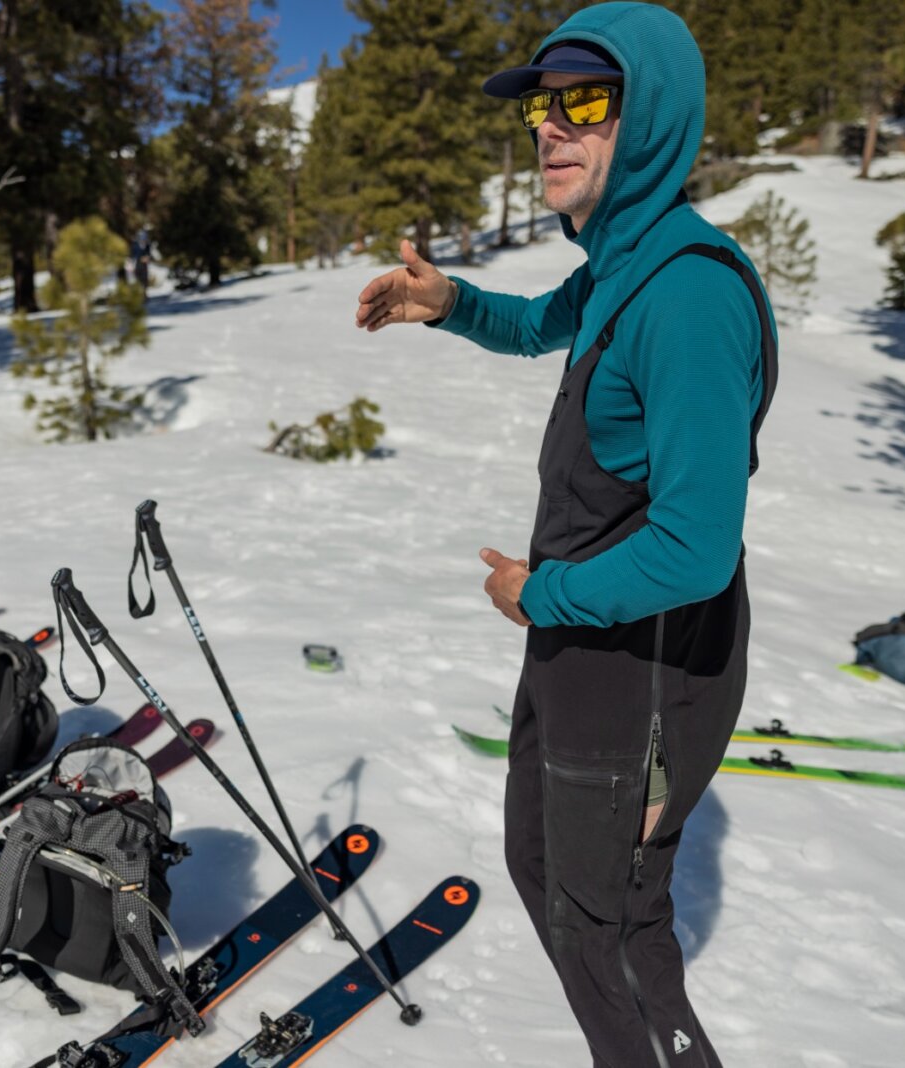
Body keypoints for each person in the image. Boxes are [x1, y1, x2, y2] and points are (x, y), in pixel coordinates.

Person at [353, 4, 778, 1066]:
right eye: (545, 106)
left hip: (646, 665)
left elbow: (693, 548)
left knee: (612, 931)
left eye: (583, 101)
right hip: (588, 650)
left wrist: (539, 595)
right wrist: (450, 302)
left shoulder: (686, 295)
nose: (551, 127)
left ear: (655, 119)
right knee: (545, 867)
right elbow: (543, 321)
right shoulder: (622, 264)